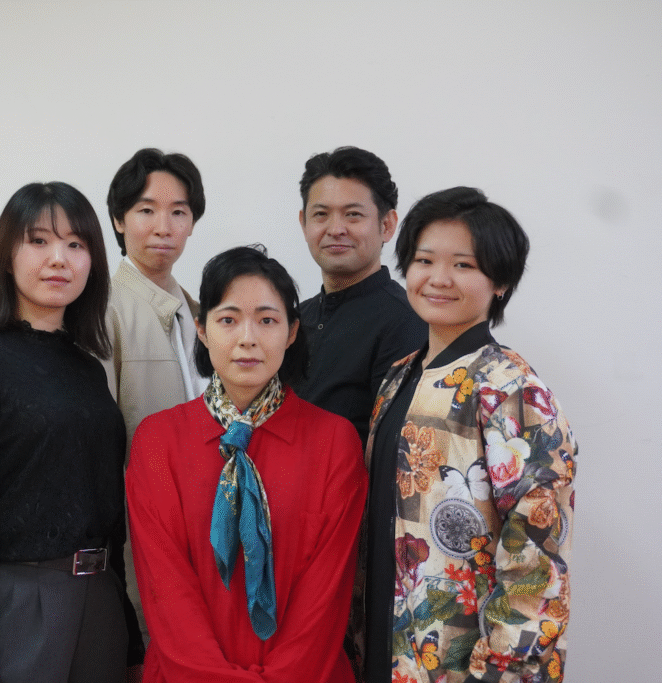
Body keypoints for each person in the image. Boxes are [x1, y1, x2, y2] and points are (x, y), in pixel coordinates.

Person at [362, 187, 576, 682]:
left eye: (463, 265)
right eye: (424, 260)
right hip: (384, 643)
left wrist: (502, 670)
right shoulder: (399, 376)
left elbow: (536, 558)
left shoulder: (511, 389)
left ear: (500, 281)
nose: (438, 278)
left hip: (463, 664)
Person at [126, 246, 368, 682]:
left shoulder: (335, 442)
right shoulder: (157, 441)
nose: (248, 338)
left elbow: (326, 599)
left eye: (267, 320)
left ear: (292, 332)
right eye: (228, 319)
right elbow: (165, 591)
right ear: (201, 330)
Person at [0, 182, 143, 683]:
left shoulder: (88, 368)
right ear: (7, 257)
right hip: (19, 605)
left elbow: (108, 506)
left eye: (76, 244)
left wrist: (129, 632)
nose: (59, 259)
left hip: (100, 604)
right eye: (39, 241)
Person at [102, 148, 208, 647]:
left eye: (178, 212)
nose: (164, 227)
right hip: (139, 530)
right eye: (146, 210)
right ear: (119, 220)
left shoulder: (201, 312)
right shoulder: (103, 309)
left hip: (204, 528)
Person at [293, 146, 427, 447]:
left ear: (387, 225)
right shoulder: (293, 319)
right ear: (304, 223)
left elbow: (396, 448)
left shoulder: (407, 321)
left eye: (353, 215)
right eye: (321, 214)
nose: (336, 229)